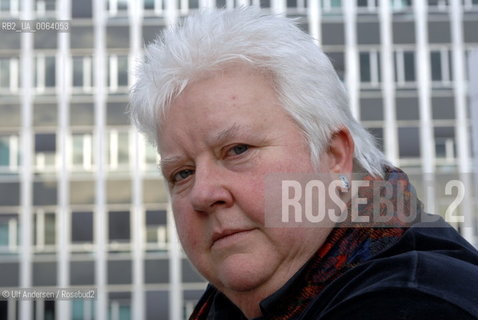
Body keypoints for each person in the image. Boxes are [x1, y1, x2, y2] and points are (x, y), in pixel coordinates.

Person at [129, 7, 478, 320]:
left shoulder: (415, 305)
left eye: (237, 150)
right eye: (183, 173)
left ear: (334, 155)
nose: (203, 193)